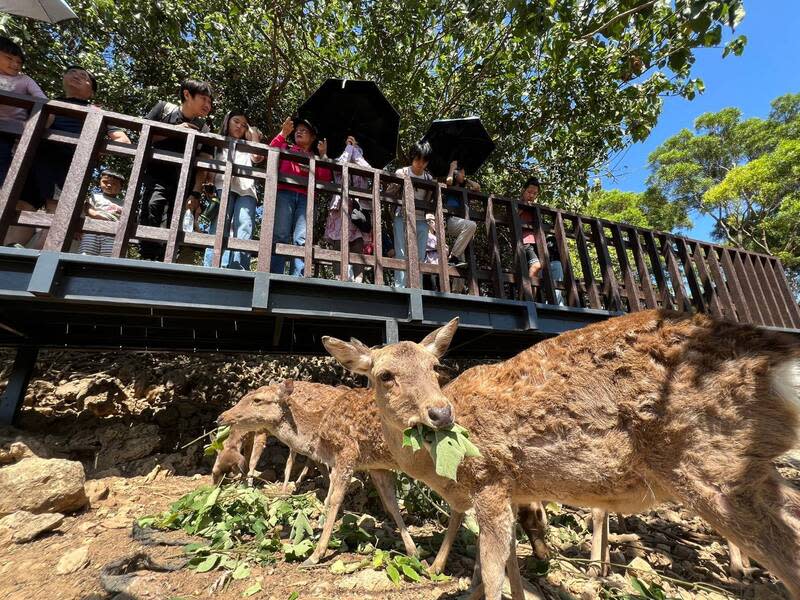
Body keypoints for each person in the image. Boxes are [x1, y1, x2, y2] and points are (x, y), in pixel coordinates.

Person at [9, 66, 131, 248]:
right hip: (35, 163)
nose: (76, 76)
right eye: (72, 73)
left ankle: (33, 261)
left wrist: (95, 150)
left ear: (92, 91)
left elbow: (123, 141)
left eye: (83, 76)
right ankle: (10, 253)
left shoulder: (97, 111)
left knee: (57, 213)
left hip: (68, 167)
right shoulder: (48, 103)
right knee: (23, 208)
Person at [138, 79, 213, 261]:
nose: (208, 105)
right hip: (156, 175)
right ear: (187, 94)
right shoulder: (164, 109)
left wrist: (195, 193)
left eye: (210, 102)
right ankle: (147, 259)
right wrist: (175, 130)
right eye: (204, 99)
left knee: (175, 221)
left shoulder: (205, 129)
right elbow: (143, 135)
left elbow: (204, 162)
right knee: (151, 208)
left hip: (184, 182)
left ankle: (165, 261)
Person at [268, 115, 332, 276]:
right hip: (284, 194)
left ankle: (298, 277)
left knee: (302, 239)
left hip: (307, 199)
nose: (299, 132)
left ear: (312, 137)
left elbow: (325, 179)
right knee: (280, 234)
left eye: (304, 131)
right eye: (297, 130)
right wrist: (283, 133)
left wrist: (323, 156)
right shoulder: (286, 148)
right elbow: (271, 150)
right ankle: (274, 274)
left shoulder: (315, 158)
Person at [202, 110, 264, 270]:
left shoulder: (247, 145)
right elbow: (211, 165)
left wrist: (253, 133)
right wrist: (208, 183)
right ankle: (212, 267)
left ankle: (239, 268)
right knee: (220, 225)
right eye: (236, 121)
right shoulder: (218, 142)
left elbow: (257, 157)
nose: (239, 126)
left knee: (244, 225)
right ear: (227, 121)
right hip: (223, 186)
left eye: (244, 125)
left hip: (246, 189)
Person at [324, 135, 373, 283]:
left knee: (357, 244)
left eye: (357, 150)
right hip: (341, 209)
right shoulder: (342, 159)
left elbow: (367, 168)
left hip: (358, 210)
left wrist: (355, 149)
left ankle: (358, 279)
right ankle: (339, 278)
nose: (353, 152)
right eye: (351, 150)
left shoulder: (361, 166)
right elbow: (340, 165)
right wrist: (349, 148)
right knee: (339, 242)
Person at [0, 36, 46, 185]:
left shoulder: (24, 80)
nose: (15, 64)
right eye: (9, 58)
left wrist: (31, 124)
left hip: (10, 131)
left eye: (19, 62)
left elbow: (43, 100)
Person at [391, 141, 434, 288]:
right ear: (412, 157)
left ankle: (417, 288)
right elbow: (390, 194)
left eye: (424, 160)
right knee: (401, 253)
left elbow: (427, 200)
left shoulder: (428, 179)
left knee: (420, 256)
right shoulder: (402, 172)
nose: (420, 164)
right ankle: (400, 287)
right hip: (402, 217)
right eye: (417, 159)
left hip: (421, 219)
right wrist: (398, 182)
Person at [519, 177, 563, 305]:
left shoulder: (535, 208)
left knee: (546, 268)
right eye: (529, 192)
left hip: (537, 242)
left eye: (534, 193)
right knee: (536, 265)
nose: (531, 195)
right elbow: (513, 216)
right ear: (523, 190)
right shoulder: (517, 203)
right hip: (525, 241)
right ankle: (528, 298)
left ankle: (534, 298)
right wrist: (524, 205)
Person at [78, 170, 126, 256]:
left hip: (112, 232)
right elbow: (89, 211)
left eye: (114, 184)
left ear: (121, 188)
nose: (109, 185)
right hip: (92, 230)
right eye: (105, 182)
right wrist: (104, 218)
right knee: (86, 253)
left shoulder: (123, 203)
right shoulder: (94, 197)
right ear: (100, 182)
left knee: (109, 255)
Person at [443, 160, 479, 269]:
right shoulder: (449, 185)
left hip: (461, 224)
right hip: (451, 220)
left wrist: (466, 180)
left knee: (461, 266)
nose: (464, 175)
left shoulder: (463, 188)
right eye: (462, 173)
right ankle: (453, 257)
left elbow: (477, 187)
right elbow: (449, 181)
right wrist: (452, 168)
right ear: (456, 173)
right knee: (471, 225)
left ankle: (454, 260)